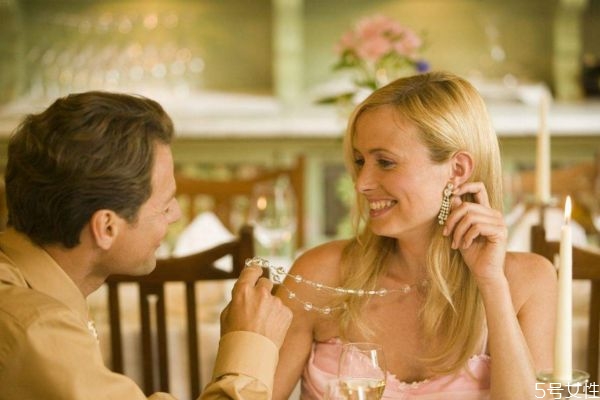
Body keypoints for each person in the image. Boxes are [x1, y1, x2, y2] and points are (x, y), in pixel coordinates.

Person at [272, 71, 557, 399]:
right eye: (360, 161)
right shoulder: (321, 275)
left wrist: (491, 283)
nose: (362, 183)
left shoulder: (529, 282)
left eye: (385, 162)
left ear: (457, 170)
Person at [0, 91, 292, 400]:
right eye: (165, 206)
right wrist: (251, 343)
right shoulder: (35, 330)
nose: (176, 214)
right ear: (106, 227)